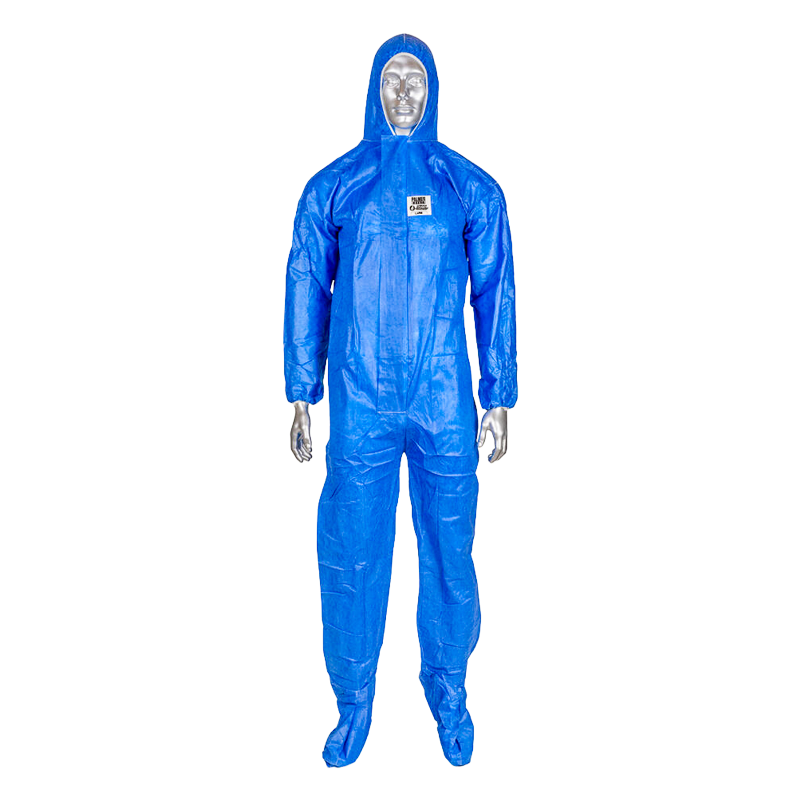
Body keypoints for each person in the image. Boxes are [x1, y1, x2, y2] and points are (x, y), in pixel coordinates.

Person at [284, 33, 517, 767]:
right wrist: (301, 392)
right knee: (352, 552)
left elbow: (495, 291)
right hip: (361, 402)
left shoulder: (468, 188)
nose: (406, 92)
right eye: (394, 79)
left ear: (435, 90)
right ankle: (353, 702)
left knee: (450, 552)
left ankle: (449, 690)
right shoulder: (335, 187)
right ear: (373, 91)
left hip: (444, 400)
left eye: (417, 79)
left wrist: (498, 394)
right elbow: (306, 281)